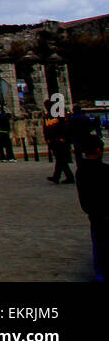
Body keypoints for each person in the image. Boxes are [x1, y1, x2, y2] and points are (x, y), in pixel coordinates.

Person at [74, 137, 108, 282]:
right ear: (99, 150)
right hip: (105, 215)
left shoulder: (81, 171)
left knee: (99, 247)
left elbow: (85, 198)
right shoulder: (105, 170)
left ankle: (101, 275)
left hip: (94, 215)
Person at [49, 112, 76, 184]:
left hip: (61, 146)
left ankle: (68, 177)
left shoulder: (62, 125)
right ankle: (57, 177)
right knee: (61, 163)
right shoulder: (64, 125)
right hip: (62, 146)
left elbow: (68, 135)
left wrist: (62, 139)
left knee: (61, 162)